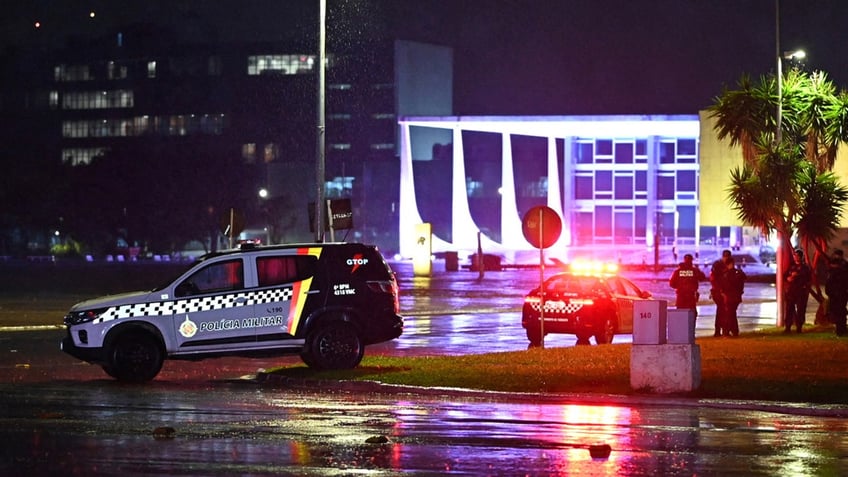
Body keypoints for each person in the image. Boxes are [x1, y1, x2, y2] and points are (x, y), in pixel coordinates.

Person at [783, 249, 812, 333]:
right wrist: (789, 278)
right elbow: (785, 276)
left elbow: (808, 279)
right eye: (795, 255)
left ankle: (799, 327)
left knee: (800, 310)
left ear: (801, 257)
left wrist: (798, 276)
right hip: (791, 291)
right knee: (789, 309)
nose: (796, 257)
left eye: (797, 256)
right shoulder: (791, 266)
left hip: (801, 291)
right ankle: (787, 327)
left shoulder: (805, 268)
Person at [824, 249, 848, 336]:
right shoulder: (833, 268)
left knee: (840, 312)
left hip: (840, 293)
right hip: (834, 294)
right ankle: (840, 329)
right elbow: (829, 281)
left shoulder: (843, 267)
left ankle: (841, 330)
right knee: (837, 312)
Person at [720, 258, 746, 337]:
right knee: (732, 313)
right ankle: (733, 331)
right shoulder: (739, 273)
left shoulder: (726, 274)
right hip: (736, 296)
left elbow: (724, 286)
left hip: (729, 296)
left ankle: (728, 331)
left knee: (729, 314)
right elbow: (744, 280)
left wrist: (723, 294)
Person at [709, 249, 732, 336]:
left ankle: (723, 330)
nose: (726, 258)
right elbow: (714, 279)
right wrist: (720, 291)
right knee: (721, 311)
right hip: (718, 292)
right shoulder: (717, 265)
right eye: (725, 256)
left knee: (723, 311)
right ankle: (719, 331)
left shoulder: (728, 264)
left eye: (727, 256)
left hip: (724, 292)